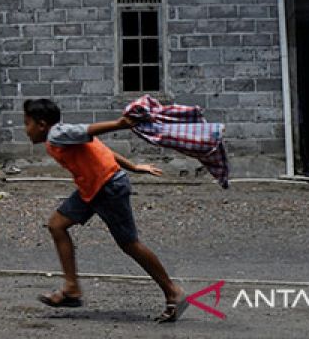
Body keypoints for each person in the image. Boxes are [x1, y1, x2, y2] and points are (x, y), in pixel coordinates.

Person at [22, 97, 188, 323]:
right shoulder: (62, 136)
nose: (25, 130)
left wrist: (119, 124)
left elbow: (89, 130)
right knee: (57, 225)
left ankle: (172, 291)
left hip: (108, 186)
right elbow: (98, 147)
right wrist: (133, 166)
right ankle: (71, 289)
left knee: (130, 243)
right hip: (91, 188)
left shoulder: (57, 134)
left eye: (27, 123)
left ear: (41, 124)